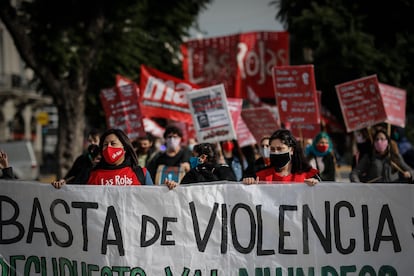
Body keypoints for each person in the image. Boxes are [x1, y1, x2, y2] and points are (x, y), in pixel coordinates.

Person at [52, 129, 153, 188]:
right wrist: (62, 187)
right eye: (105, 145)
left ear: (125, 147)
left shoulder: (141, 174)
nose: (109, 148)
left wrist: (168, 188)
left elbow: (154, 200)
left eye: (113, 144)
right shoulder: (90, 174)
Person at [243, 129, 320, 186]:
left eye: (280, 149)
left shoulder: (308, 175)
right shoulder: (261, 176)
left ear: (291, 150)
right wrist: (249, 183)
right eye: (272, 149)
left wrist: (316, 186)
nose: (276, 152)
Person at [350, 128, 414, 183]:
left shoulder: (395, 157)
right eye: (377, 139)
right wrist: (358, 184)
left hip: (393, 192)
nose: (379, 141)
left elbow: (411, 171)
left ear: (387, 142)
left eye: (382, 139)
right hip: (374, 193)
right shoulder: (369, 157)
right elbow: (354, 173)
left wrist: (410, 174)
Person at [165, 142, 237, 189]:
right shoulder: (192, 173)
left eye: (194, 156)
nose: (192, 159)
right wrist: (174, 186)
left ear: (203, 157)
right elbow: (183, 191)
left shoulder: (224, 171)